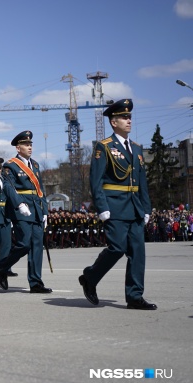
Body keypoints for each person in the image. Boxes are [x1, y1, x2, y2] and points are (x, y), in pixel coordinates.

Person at [79, 99, 155, 310]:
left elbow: (142, 183)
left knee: (138, 253)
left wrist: (146, 208)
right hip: (114, 206)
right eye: (124, 117)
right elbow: (96, 181)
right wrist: (101, 207)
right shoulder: (103, 147)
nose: (128, 120)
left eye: (129, 116)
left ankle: (134, 296)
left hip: (135, 207)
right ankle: (90, 277)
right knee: (117, 248)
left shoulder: (137, 149)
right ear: (113, 122)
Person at [0, 130, 52, 294]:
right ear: (18, 148)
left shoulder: (34, 165)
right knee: (24, 244)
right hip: (21, 209)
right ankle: (3, 268)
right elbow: (8, 187)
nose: (30, 147)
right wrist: (19, 204)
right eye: (26, 144)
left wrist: (45, 210)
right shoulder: (10, 165)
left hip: (36, 209)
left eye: (30, 144)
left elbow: (39, 189)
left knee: (36, 246)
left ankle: (35, 283)